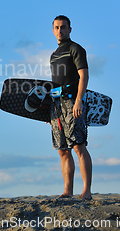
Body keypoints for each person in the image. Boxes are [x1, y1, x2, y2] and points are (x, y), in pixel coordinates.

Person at [50, 15, 92, 200]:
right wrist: (48, 111)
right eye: (57, 28)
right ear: (53, 30)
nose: (60, 31)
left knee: (78, 146)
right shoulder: (53, 55)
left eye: (63, 27)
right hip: (56, 106)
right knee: (62, 149)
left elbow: (84, 77)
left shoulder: (76, 49)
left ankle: (87, 191)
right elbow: (54, 84)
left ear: (70, 29)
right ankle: (67, 191)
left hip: (72, 102)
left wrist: (78, 101)